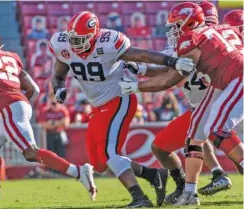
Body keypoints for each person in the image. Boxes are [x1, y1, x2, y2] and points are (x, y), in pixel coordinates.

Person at [50, 11, 195, 208]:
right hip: (98, 107)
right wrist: (58, 88)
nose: (75, 44)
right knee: (100, 163)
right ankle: (153, 175)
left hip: (119, 99)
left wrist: (172, 61)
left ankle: (140, 198)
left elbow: (143, 55)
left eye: (80, 39)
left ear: (93, 35)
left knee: (110, 154)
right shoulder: (62, 45)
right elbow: (58, 74)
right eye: (72, 39)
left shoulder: (108, 43)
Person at [0, 26, 96, 208]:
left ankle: (78, 171)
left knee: (30, 152)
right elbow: (34, 90)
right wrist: (18, 107)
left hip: (9, 106)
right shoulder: (10, 56)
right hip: (19, 103)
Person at [119, 2, 243, 206]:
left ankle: (217, 174)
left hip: (232, 83)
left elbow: (171, 79)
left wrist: (135, 86)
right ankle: (189, 192)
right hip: (218, 88)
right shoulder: (222, 31)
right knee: (194, 136)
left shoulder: (192, 38)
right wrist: (141, 72)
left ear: (191, 22)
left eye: (176, 25)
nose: (172, 31)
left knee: (216, 128)